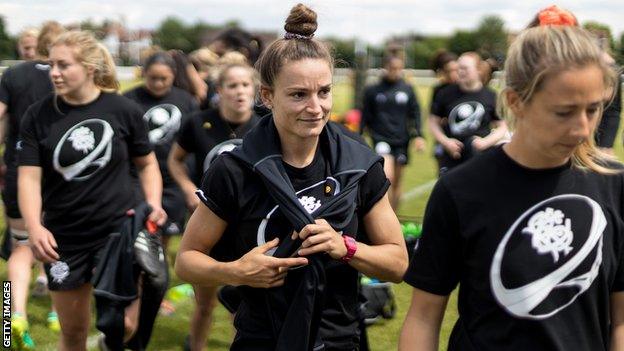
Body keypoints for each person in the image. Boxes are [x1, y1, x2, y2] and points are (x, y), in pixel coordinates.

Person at [175, 4, 407, 350]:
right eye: (299, 94)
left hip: (338, 339)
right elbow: (186, 261)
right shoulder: (235, 168)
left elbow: (398, 263)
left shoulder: (357, 162)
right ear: (267, 96)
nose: (316, 107)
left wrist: (345, 247)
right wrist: (237, 271)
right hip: (261, 338)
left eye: (324, 91)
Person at [399, 25, 624, 351]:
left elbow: (620, 319)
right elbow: (422, 318)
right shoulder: (460, 190)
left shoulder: (613, 185)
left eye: (593, 108)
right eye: (564, 112)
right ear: (515, 102)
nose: (583, 128)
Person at [17, 30, 166, 351]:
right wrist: (34, 227)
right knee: (72, 332)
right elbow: (28, 178)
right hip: (63, 237)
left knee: (123, 325)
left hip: (119, 232)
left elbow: (147, 164)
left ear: (89, 67)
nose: (54, 72)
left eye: (63, 65)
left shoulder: (122, 109)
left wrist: (153, 202)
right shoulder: (38, 115)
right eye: (51, 64)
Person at [168, 61, 260, 351]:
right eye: (232, 85)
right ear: (219, 90)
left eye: (246, 85)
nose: (240, 92)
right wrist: (187, 189)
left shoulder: (266, 124)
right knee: (205, 303)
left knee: (247, 306)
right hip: (207, 224)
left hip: (249, 226)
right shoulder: (198, 122)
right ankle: (196, 345)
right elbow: (175, 160)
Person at [0, 21, 65, 349]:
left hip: (17, 169)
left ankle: (13, 313)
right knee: (56, 245)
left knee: (20, 247)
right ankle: (56, 313)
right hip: (57, 172)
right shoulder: (66, 75)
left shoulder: (14, 75)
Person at [124, 51, 198, 251]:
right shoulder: (129, 100)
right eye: (153, 78)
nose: (158, 83)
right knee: (140, 229)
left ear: (173, 75)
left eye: (163, 79)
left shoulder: (185, 100)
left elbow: (193, 139)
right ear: (144, 74)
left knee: (165, 231)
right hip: (140, 176)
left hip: (173, 177)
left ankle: (158, 271)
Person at [360, 54, 425, 210]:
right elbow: (365, 114)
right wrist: (359, 135)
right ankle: (383, 216)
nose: (395, 71)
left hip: (402, 140)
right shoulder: (373, 90)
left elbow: (415, 113)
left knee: (397, 181)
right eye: (392, 68)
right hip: (381, 138)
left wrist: (418, 136)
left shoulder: (407, 89)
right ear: (385, 68)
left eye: (398, 68)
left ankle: (393, 217)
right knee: (387, 176)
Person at [429, 51, 508, 174]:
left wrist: (484, 142)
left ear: (478, 70)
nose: (460, 72)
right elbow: (433, 122)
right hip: (451, 158)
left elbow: (502, 126)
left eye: (465, 68)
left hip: (480, 158)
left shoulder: (491, 96)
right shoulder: (445, 93)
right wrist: (446, 142)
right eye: (459, 68)